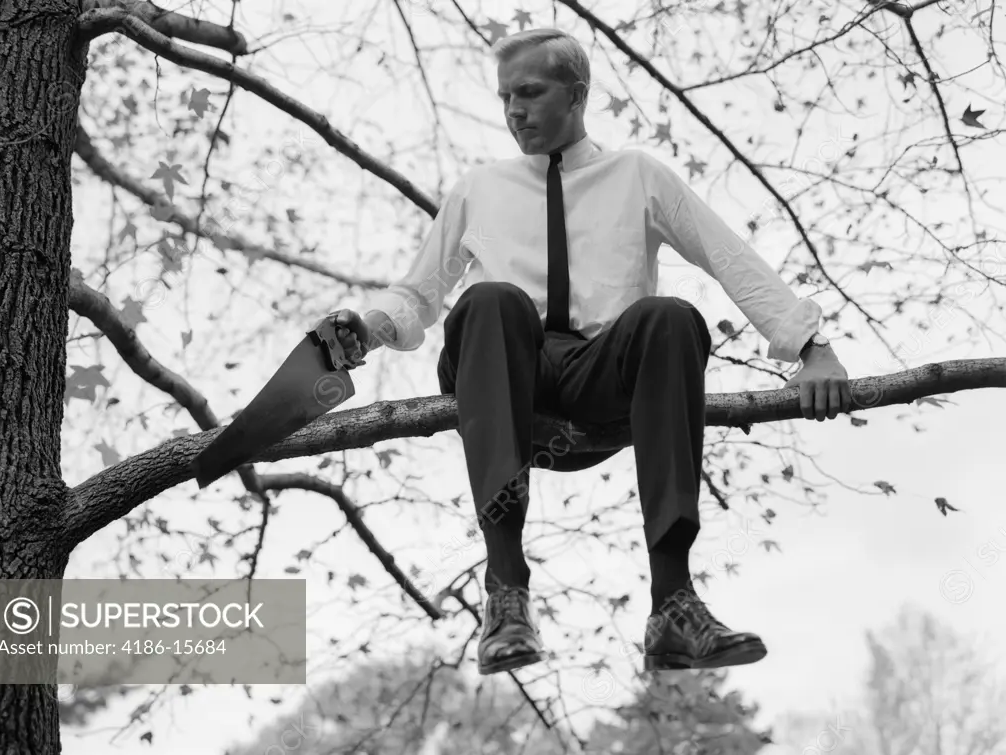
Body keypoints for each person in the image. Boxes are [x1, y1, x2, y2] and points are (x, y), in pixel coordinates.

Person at [322, 27, 851, 676]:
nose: (513, 110)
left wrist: (810, 345)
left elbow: (728, 256)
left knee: (671, 317)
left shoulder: (638, 175)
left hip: (599, 386)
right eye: (504, 97)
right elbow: (417, 294)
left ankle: (672, 603)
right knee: (492, 300)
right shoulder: (479, 188)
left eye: (529, 93)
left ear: (577, 94)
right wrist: (366, 330)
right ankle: (506, 591)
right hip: (503, 375)